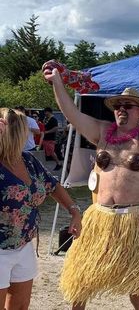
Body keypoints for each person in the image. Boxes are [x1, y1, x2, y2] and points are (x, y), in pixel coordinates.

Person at [43, 64, 139, 310]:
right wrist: (57, 83)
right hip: (100, 217)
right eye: (117, 106)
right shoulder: (102, 132)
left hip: (137, 219)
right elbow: (72, 114)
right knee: (81, 276)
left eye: (127, 106)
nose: (121, 110)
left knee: (137, 282)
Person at [0, 108, 82, 310]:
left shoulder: (28, 161)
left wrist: (74, 211)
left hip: (24, 245)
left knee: (20, 306)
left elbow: (53, 185)